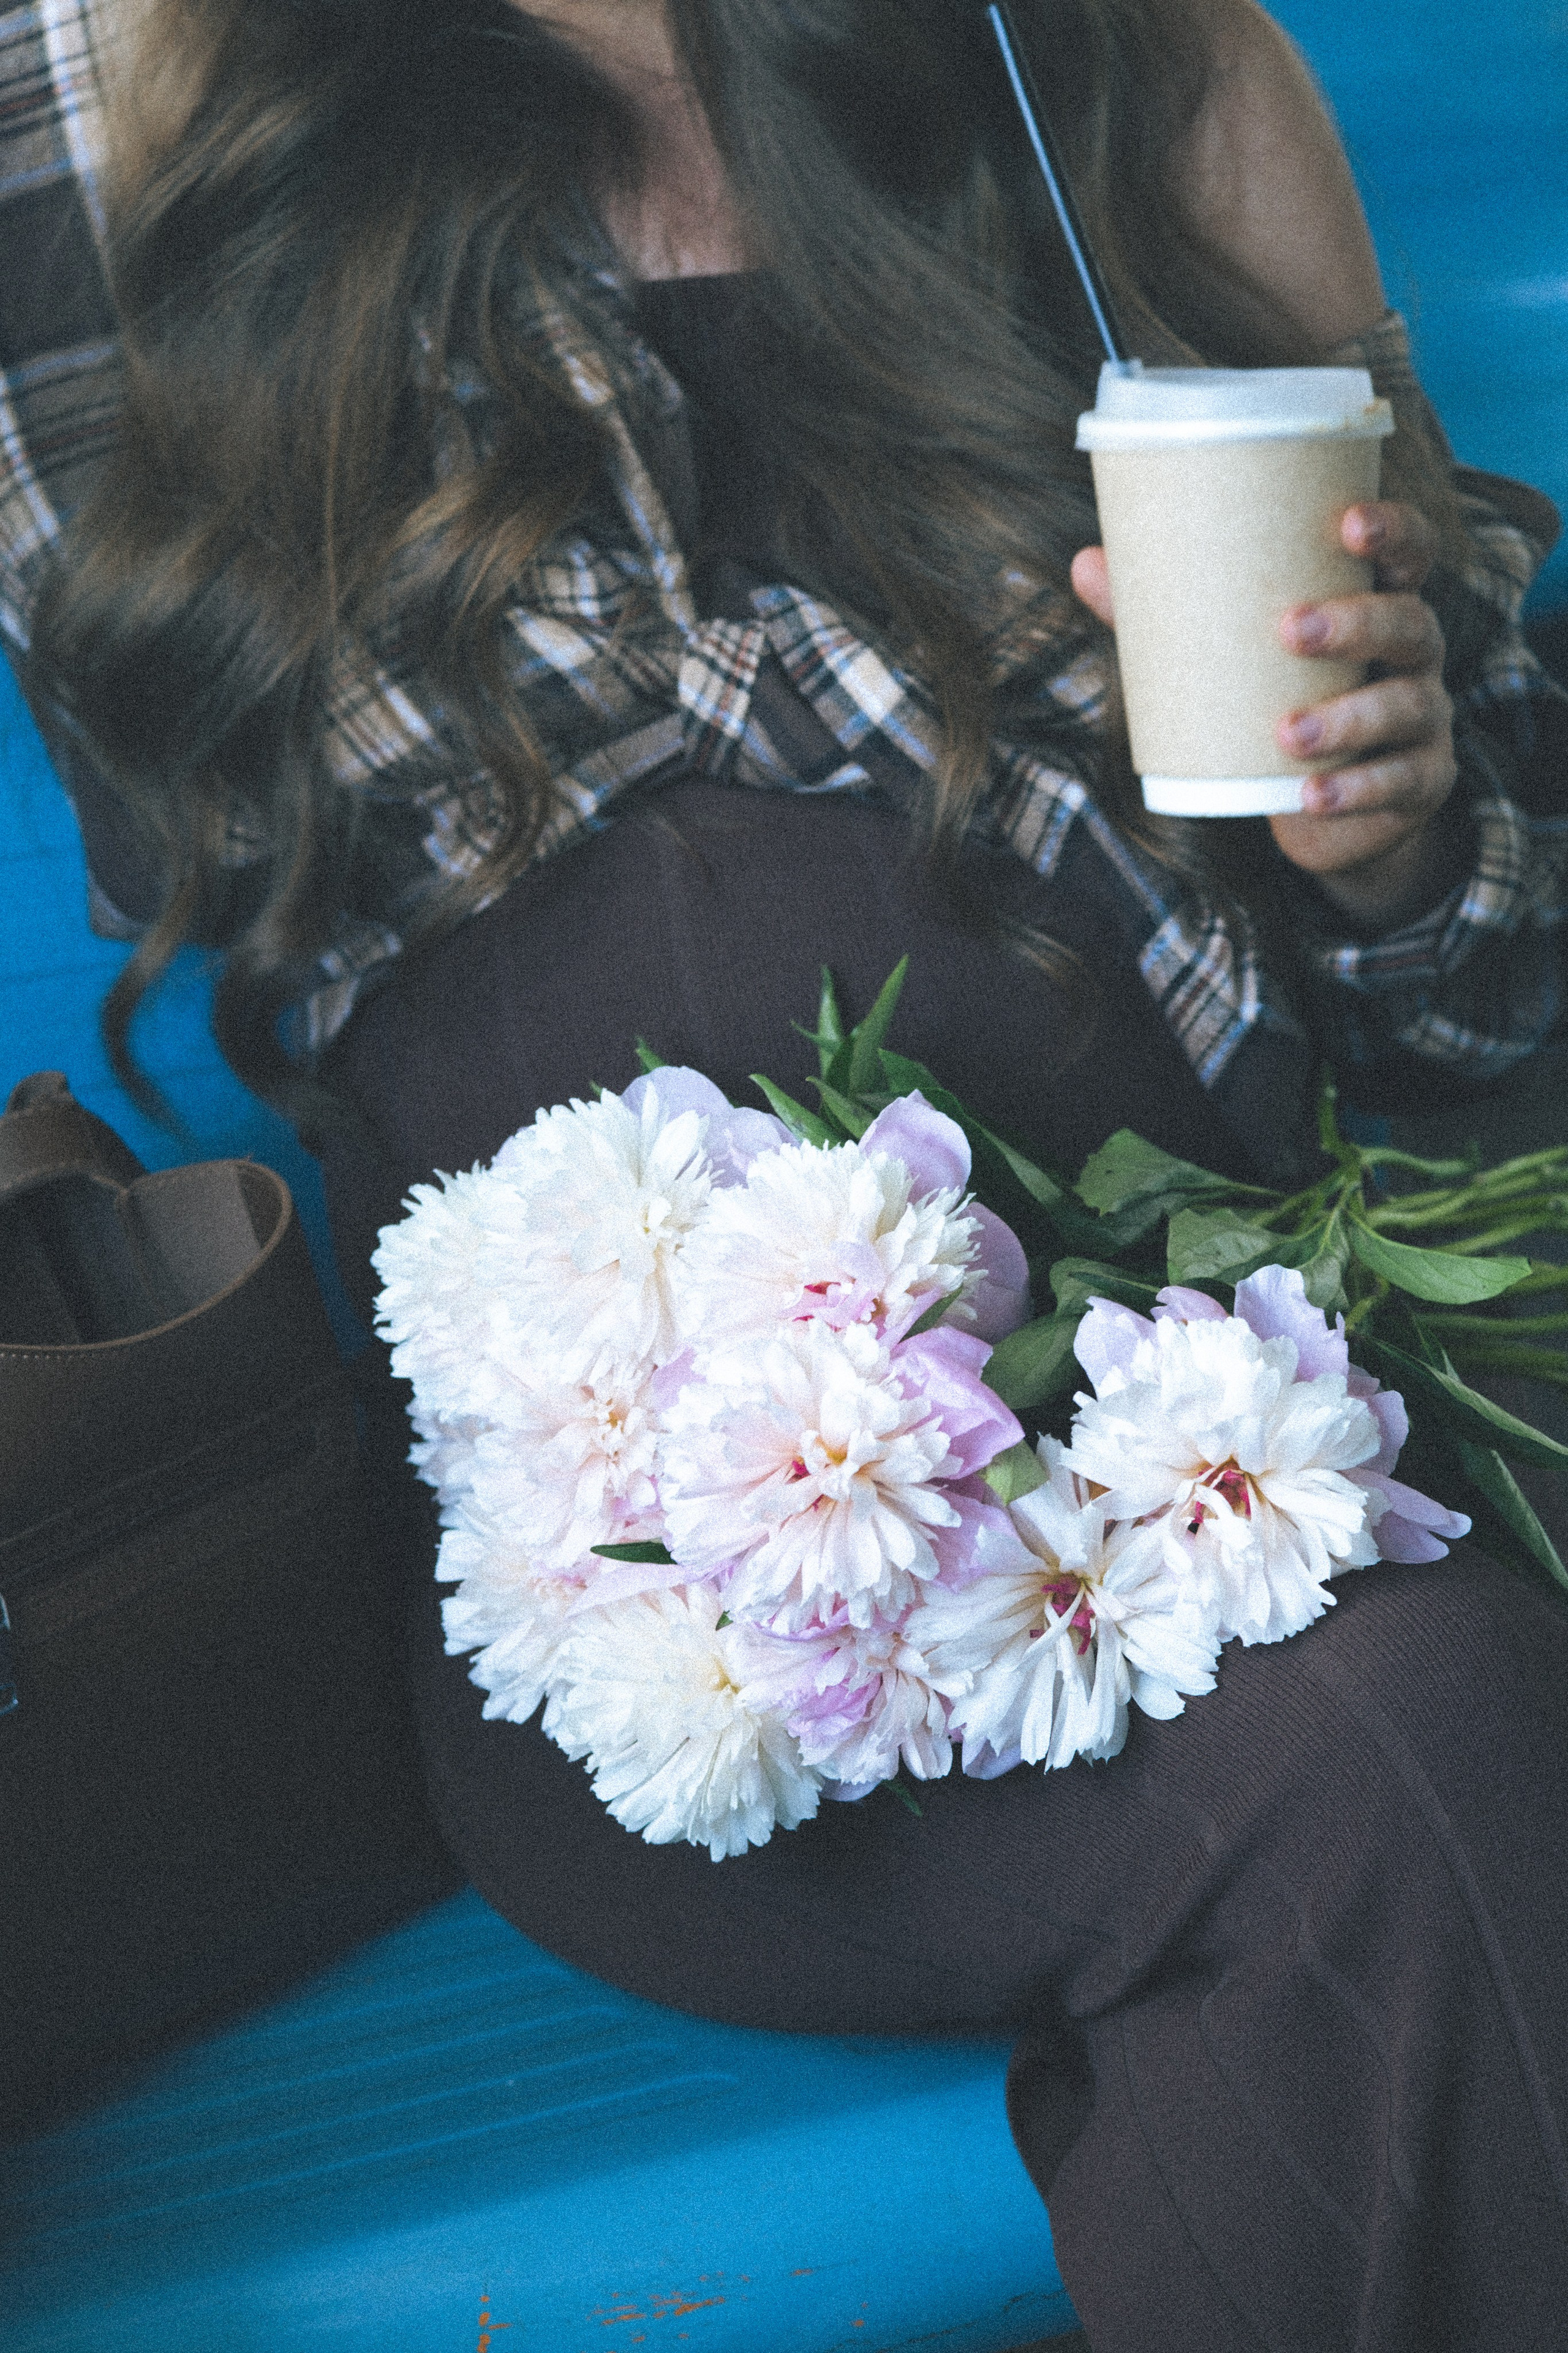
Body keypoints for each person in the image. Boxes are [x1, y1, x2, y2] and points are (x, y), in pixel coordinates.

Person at [3, 2, 1567, 2344]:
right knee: (1403, 1756)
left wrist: (1399, 834)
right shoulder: (121, 98)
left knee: (1405, 1734)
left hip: (1251, 1442)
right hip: (679, 1616)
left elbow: (1487, 1015)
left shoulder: (1121, 64)